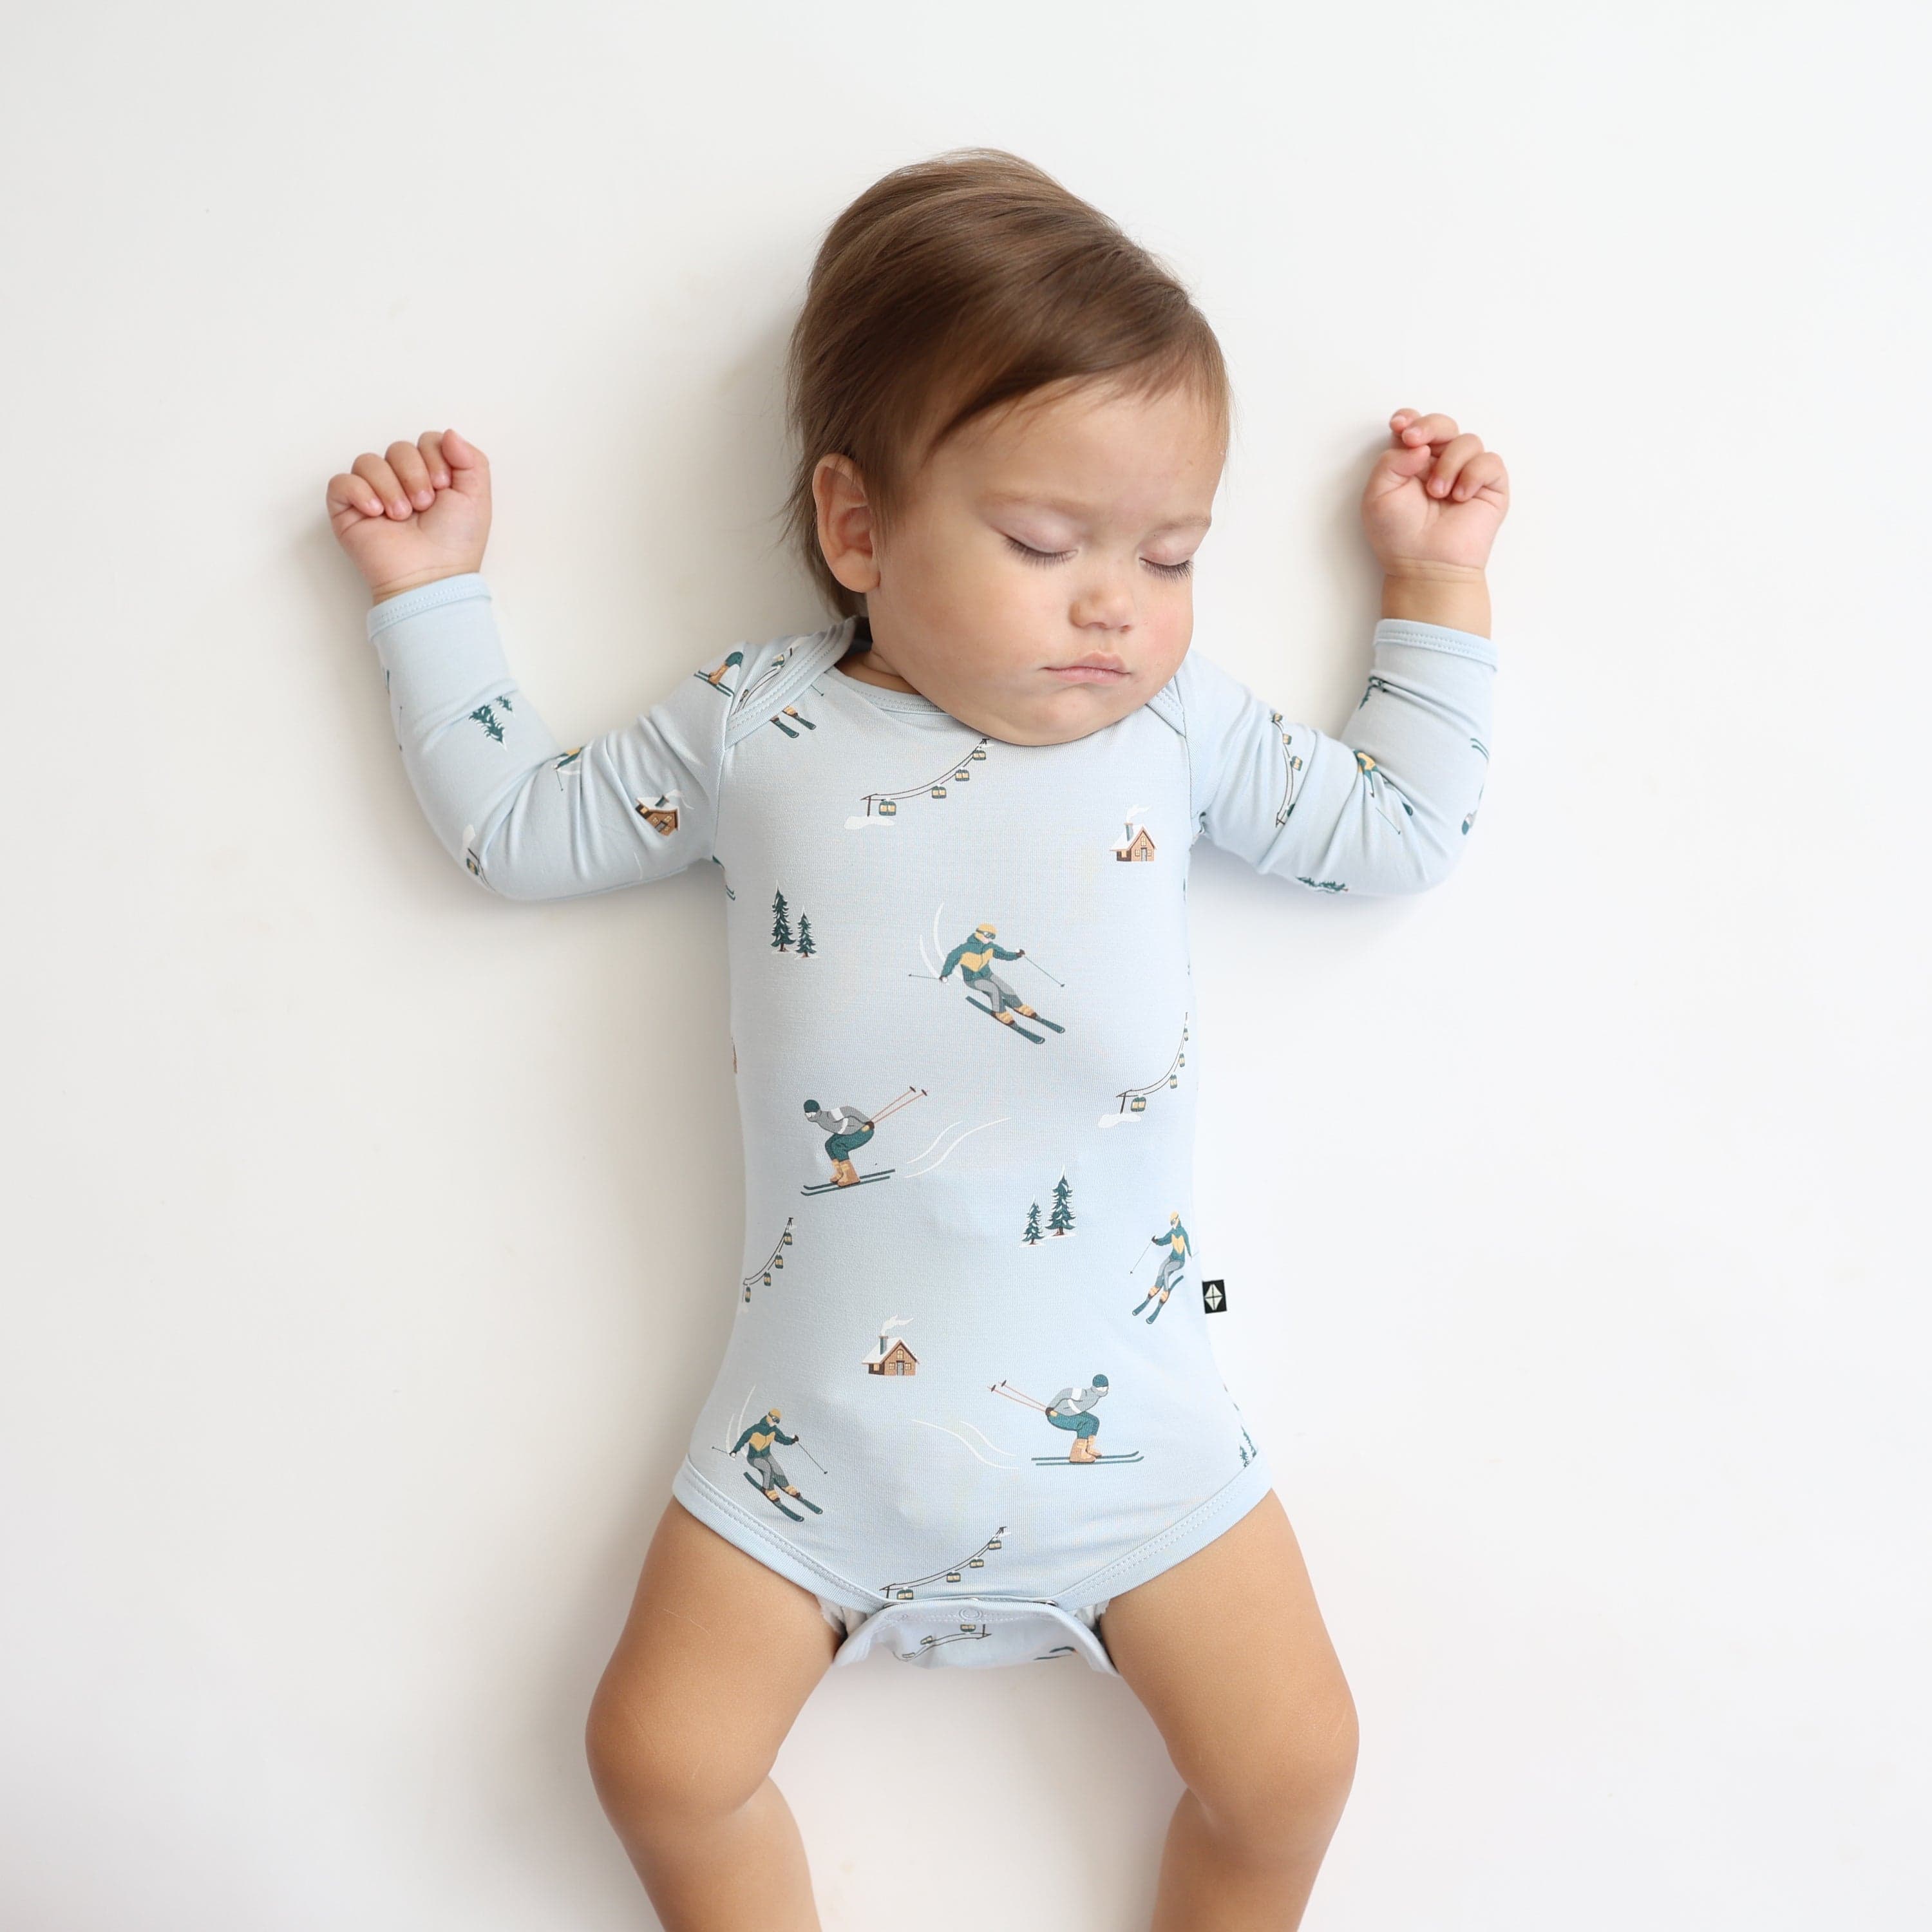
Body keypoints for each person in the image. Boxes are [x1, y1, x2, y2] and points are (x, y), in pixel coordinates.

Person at [325, 146, 1508, 1932]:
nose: (1117, 598)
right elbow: (520, 831)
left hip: (1139, 1448)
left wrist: (1436, 588)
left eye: (1170, 551)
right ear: (857, 528)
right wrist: (431, 597)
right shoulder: (755, 727)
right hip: (818, 1450)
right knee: (657, 1761)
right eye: (1046, 543)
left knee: (1295, 1772)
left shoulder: (1177, 725)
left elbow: (1394, 833)